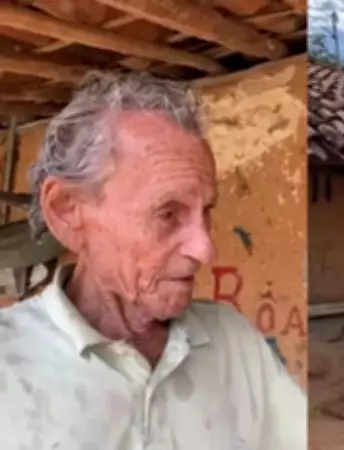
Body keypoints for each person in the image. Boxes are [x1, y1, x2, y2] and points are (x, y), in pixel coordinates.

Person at [0, 72, 307, 449]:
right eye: (168, 214)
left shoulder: (233, 341)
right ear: (68, 211)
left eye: (205, 211)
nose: (204, 249)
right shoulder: (9, 362)